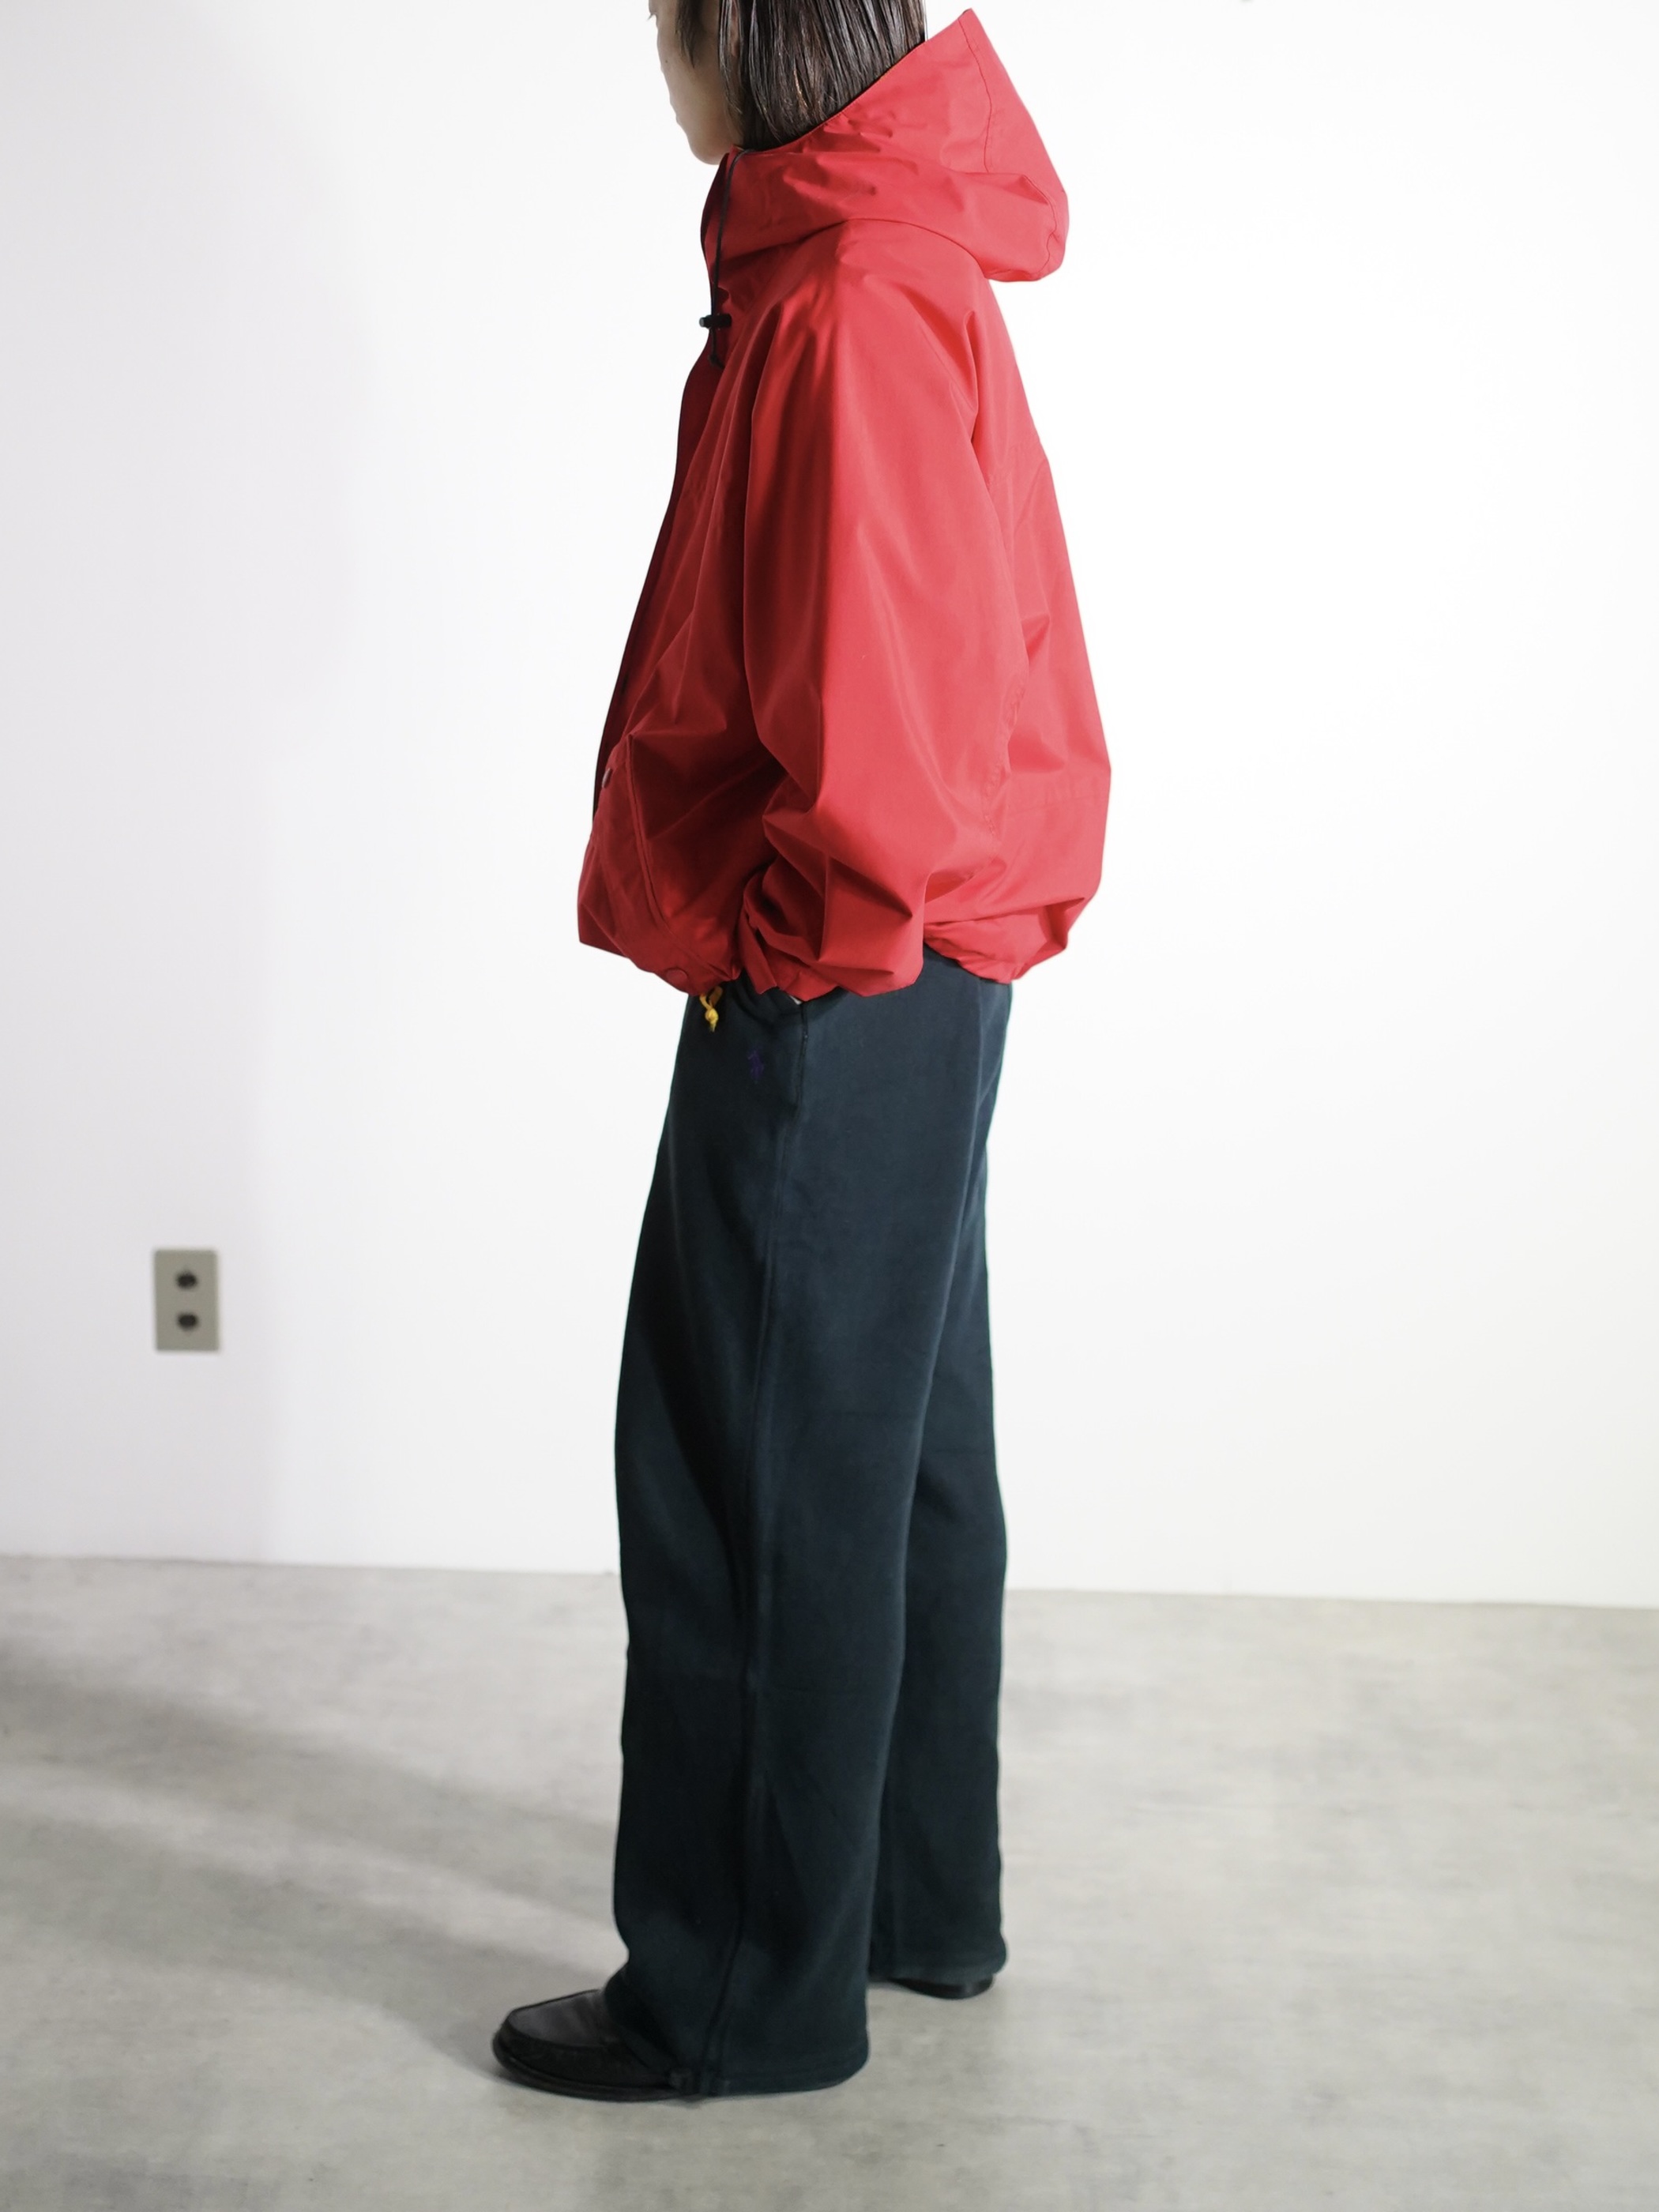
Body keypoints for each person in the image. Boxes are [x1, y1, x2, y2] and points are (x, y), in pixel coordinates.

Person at [493, 0, 1108, 2101]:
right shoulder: (883, 253)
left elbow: (883, 726)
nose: (653, 59)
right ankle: (911, 1905)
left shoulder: (847, 292)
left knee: (744, 1469)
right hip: (923, 964)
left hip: (846, 968)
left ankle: (742, 1996)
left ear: (737, 35)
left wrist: (785, 955)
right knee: (890, 1450)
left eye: (664, 19)